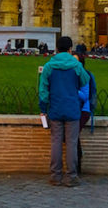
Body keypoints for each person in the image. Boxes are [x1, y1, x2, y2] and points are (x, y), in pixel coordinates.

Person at [38, 36, 89, 187]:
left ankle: (55, 175)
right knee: (72, 144)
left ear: (57, 49)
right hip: (72, 108)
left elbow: (43, 91)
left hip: (55, 108)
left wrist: (43, 108)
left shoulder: (49, 66)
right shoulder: (76, 65)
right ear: (70, 49)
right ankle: (72, 176)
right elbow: (85, 81)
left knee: (56, 143)